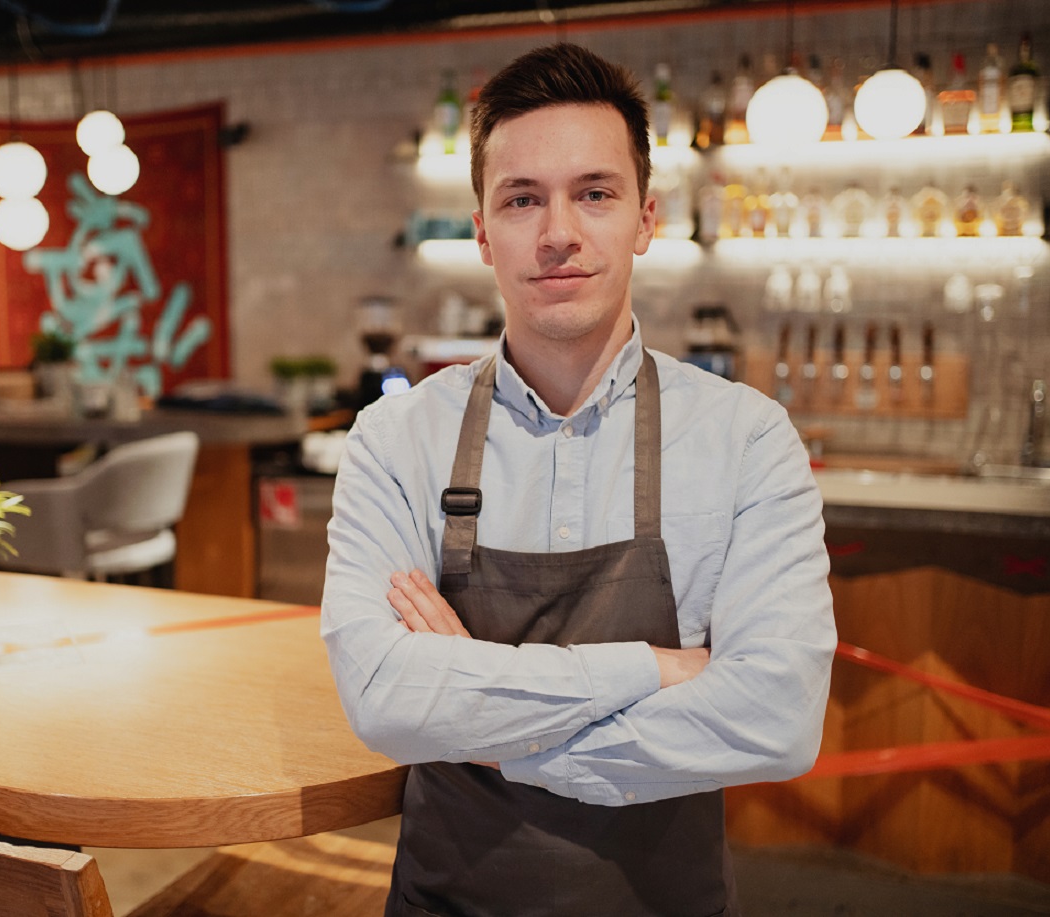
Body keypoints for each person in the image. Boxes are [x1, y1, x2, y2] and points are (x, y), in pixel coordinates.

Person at [321, 43, 836, 917]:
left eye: (593, 193)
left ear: (644, 219)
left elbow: (777, 717)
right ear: (482, 233)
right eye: (522, 199)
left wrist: (488, 722)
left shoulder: (746, 437)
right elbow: (382, 700)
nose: (558, 230)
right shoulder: (393, 437)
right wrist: (661, 669)